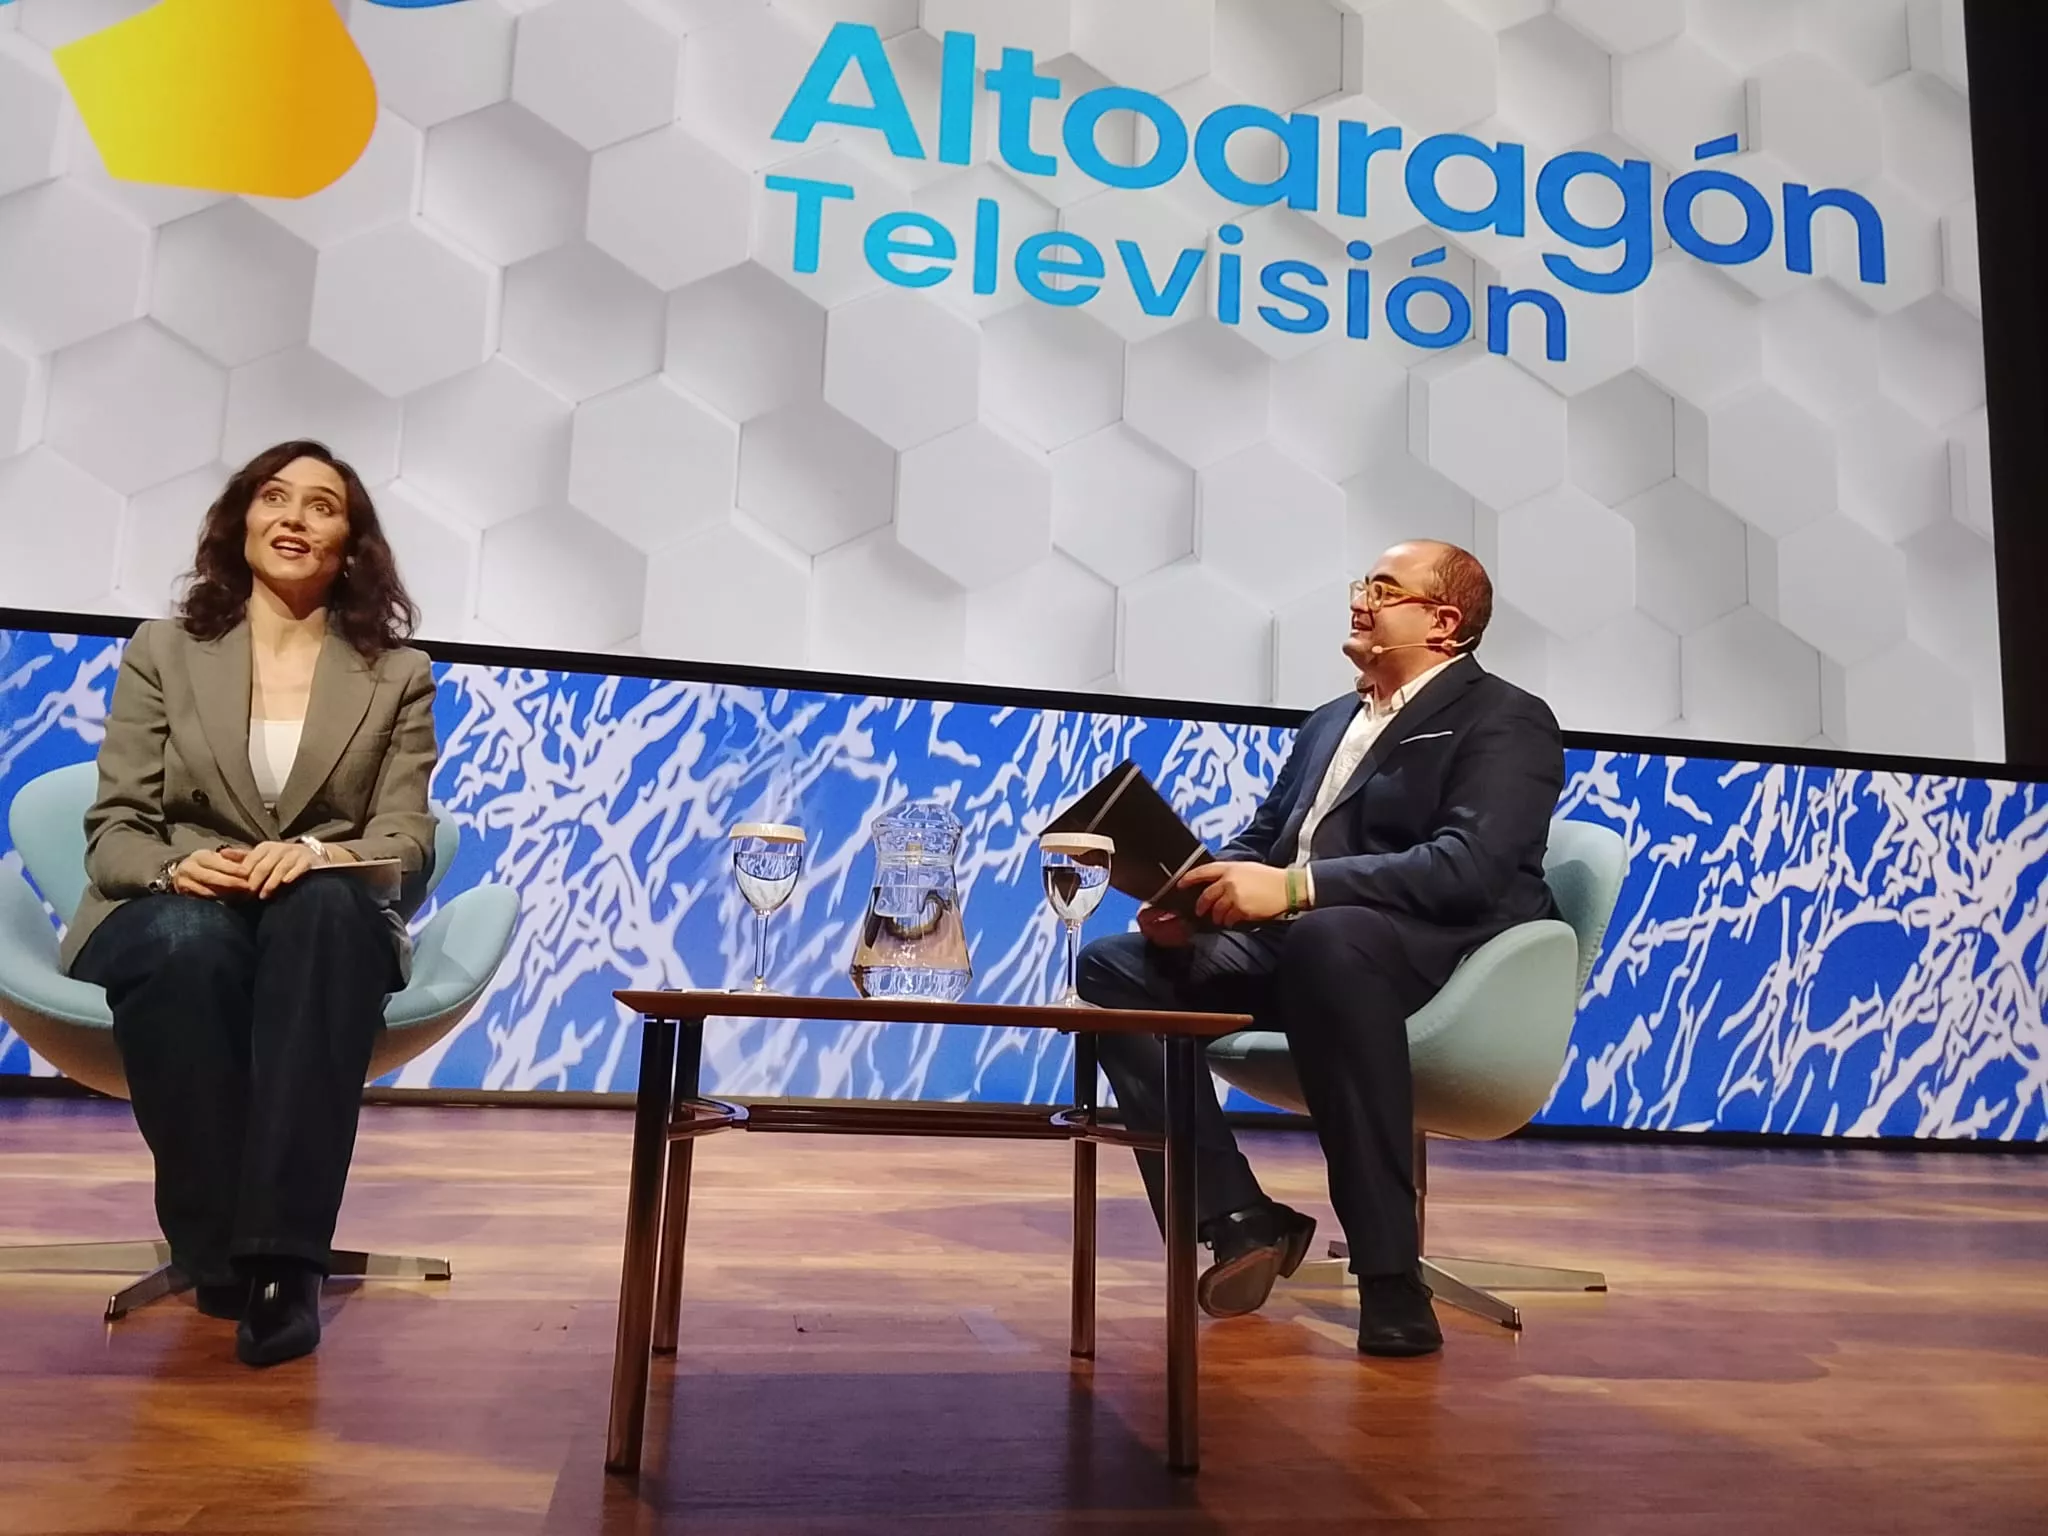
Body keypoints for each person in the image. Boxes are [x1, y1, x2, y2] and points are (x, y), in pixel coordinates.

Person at [1077, 541, 1564, 1357]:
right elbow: (1270, 840)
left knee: (1332, 940)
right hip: (1305, 949)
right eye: (1362, 584)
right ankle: (1238, 1217)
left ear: (1444, 623)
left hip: (1431, 958)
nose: (1360, 600)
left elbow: (1468, 868)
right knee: (1114, 966)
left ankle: (1389, 1275)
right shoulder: (1330, 721)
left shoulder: (1506, 718)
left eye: (1383, 588)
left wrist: (1300, 891)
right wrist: (1194, 902)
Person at [63, 441, 438, 1368]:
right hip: (176, 902)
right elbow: (115, 829)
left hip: (319, 912)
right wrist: (173, 871)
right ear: (241, 521)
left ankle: (282, 1263)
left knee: (323, 917)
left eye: (322, 506)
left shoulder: (395, 673)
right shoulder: (166, 651)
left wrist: (316, 854)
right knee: (192, 945)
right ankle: (212, 1242)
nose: (295, 518)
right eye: (275, 497)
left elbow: (408, 842)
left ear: (351, 544)